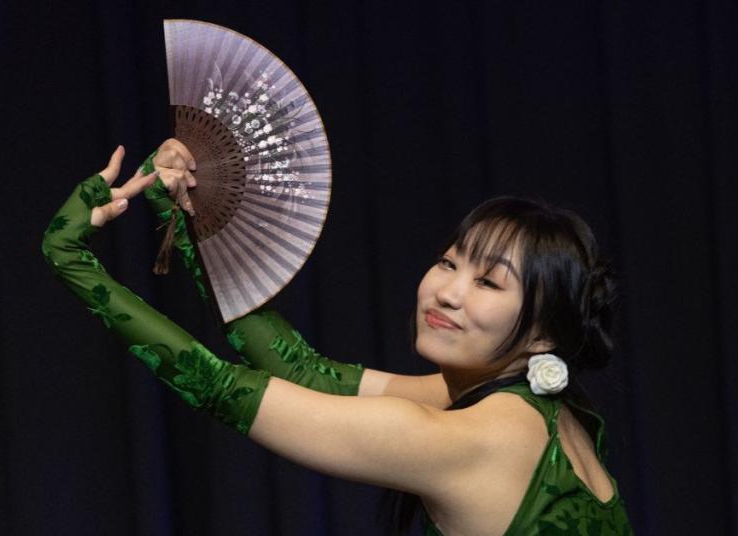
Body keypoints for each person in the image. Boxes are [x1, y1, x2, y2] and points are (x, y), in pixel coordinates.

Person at [43, 141, 633, 535]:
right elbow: (300, 369)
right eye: (449, 263)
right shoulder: (538, 412)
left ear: (544, 332)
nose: (447, 292)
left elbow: (220, 385)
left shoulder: (478, 437)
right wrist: (190, 214)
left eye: (488, 282)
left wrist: (70, 258)